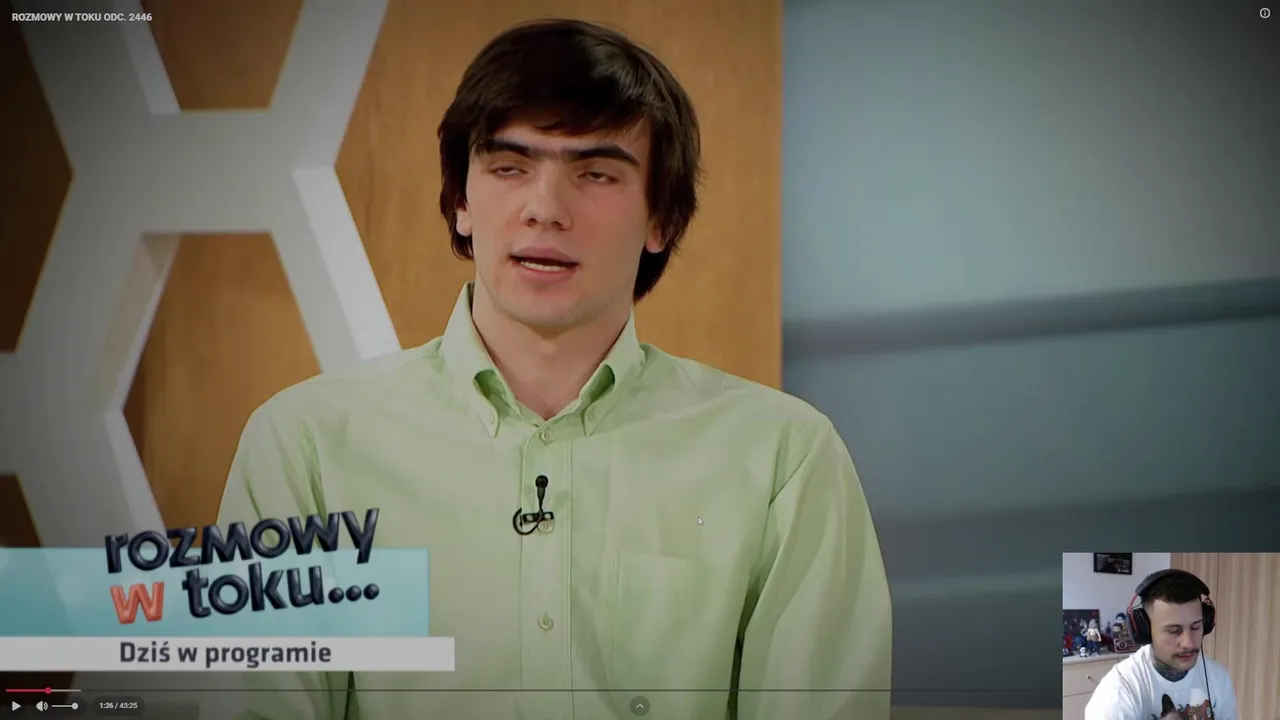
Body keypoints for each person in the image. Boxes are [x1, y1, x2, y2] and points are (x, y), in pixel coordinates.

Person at [217, 17, 891, 720]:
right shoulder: (305, 446)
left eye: (595, 173)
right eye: (510, 167)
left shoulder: (783, 457)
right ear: (461, 201)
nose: (545, 210)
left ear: (660, 219)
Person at [1085, 569, 1238, 720]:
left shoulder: (1218, 677)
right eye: (1174, 630)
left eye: (1196, 627)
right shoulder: (1119, 692)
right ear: (1145, 630)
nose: (1189, 643)